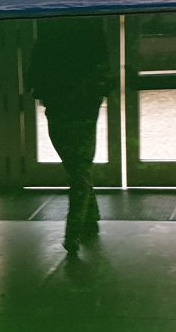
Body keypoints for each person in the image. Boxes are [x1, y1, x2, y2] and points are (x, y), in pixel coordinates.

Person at [24, 15, 115, 253]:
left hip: (58, 106)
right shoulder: (91, 27)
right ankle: (87, 220)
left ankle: (75, 230)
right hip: (84, 107)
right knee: (80, 167)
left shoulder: (49, 27)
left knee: (76, 167)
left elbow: (37, 65)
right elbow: (102, 66)